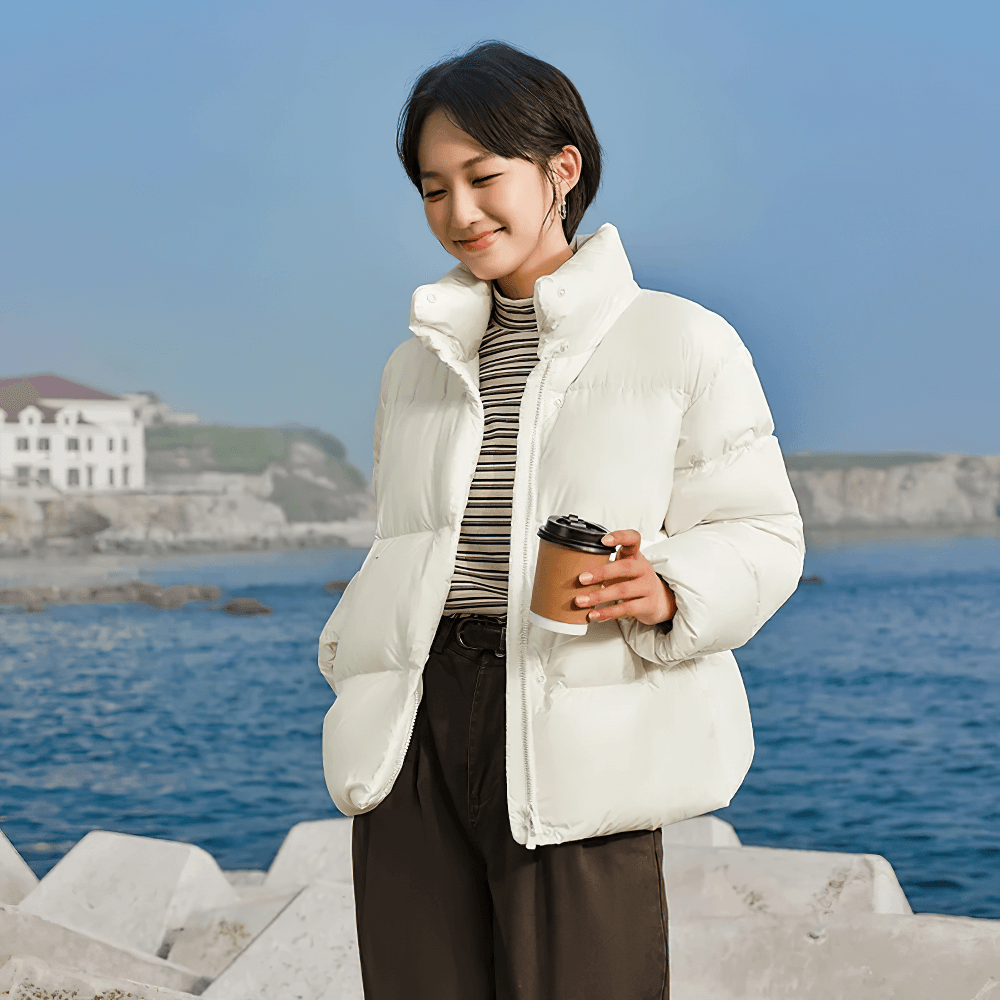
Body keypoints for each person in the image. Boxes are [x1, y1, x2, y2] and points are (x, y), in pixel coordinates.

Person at [318, 39, 804, 1000]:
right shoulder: (412, 366)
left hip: (576, 723)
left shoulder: (681, 341)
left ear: (561, 171)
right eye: (431, 188)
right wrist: (354, 658)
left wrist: (668, 587)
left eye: (483, 177)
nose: (459, 212)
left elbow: (763, 533)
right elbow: (403, 543)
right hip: (414, 719)